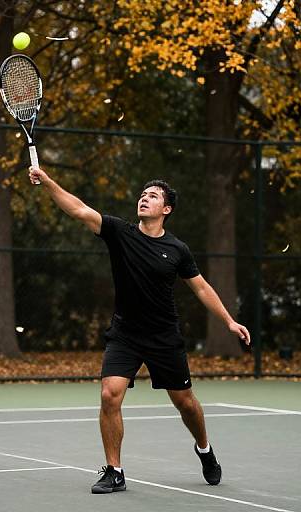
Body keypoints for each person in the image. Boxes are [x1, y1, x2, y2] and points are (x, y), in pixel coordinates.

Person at [28, 166, 250, 494]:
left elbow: (201, 288)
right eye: (143, 195)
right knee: (109, 394)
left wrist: (229, 321)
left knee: (185, 403)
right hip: (125, 334)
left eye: (153, 196)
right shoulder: (120, 232)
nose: (144, 199)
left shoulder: (177, 250)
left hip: (164, 336)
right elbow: (78, 209)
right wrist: (47, 181)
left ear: (167, 209)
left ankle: (204, 448)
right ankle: (114, 471)